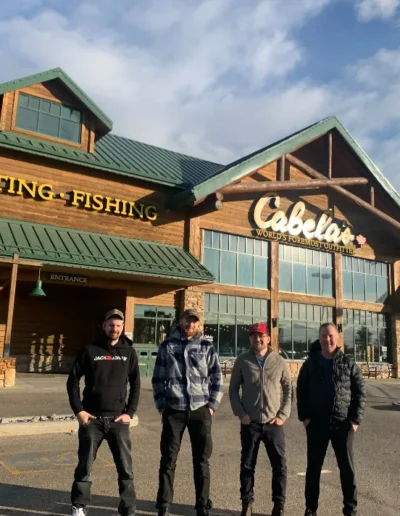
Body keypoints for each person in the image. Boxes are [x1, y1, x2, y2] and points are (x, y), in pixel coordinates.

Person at [67, 309, 140, 516]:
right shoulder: (90, 349)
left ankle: (128, 509)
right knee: (85, 466)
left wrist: (130, 412)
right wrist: (79, 411)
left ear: (122, 327)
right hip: (92, 420)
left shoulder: (129, 352)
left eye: (118, 325)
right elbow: (72, 380)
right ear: (104, 326)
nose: (114, 329)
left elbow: (136, 383)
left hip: (118, 420)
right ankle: (79, 506)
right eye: (111, 325)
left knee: (125, 468)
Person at [152, 308, 223, 516]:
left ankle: (202, 504)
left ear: (198, 324)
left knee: (202, 460)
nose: (190, 324)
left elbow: (217, 377)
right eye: (187, 320)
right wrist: (161, 405)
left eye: (194, 321)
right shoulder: (167, 346)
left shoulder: (206, 346)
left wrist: (212, 406)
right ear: (181, 320)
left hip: (200, 410)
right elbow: (158, 379)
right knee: (168, 459)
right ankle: (164, 504)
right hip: (174, 411)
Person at [297, 322, 366, 516]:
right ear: (319, 338)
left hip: (342, 424)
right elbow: (301, 391)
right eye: (323, 335)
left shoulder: (348, 363)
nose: (327, 339)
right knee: (313, 469)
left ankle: (350, 509)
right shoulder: (311, 363)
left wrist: (355, 420)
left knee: (347, 470)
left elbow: (360, 391)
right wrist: (305, 418)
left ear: (337, 337)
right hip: (316, 424)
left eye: (330, 335)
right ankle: (311, 508)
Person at [229, 322, 291, 516]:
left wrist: (282, 415)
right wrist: (241, 414)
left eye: (261, 335)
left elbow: (288, 389)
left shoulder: (279, 361)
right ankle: (247, 503)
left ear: (268, 338)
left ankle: (278, 505)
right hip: (250, 423)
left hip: (273, 423)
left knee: (279, 466)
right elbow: (233, 389)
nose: (258, 339)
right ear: (250, 338)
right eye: (254, 336)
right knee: (247, 465)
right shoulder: (242, 360)